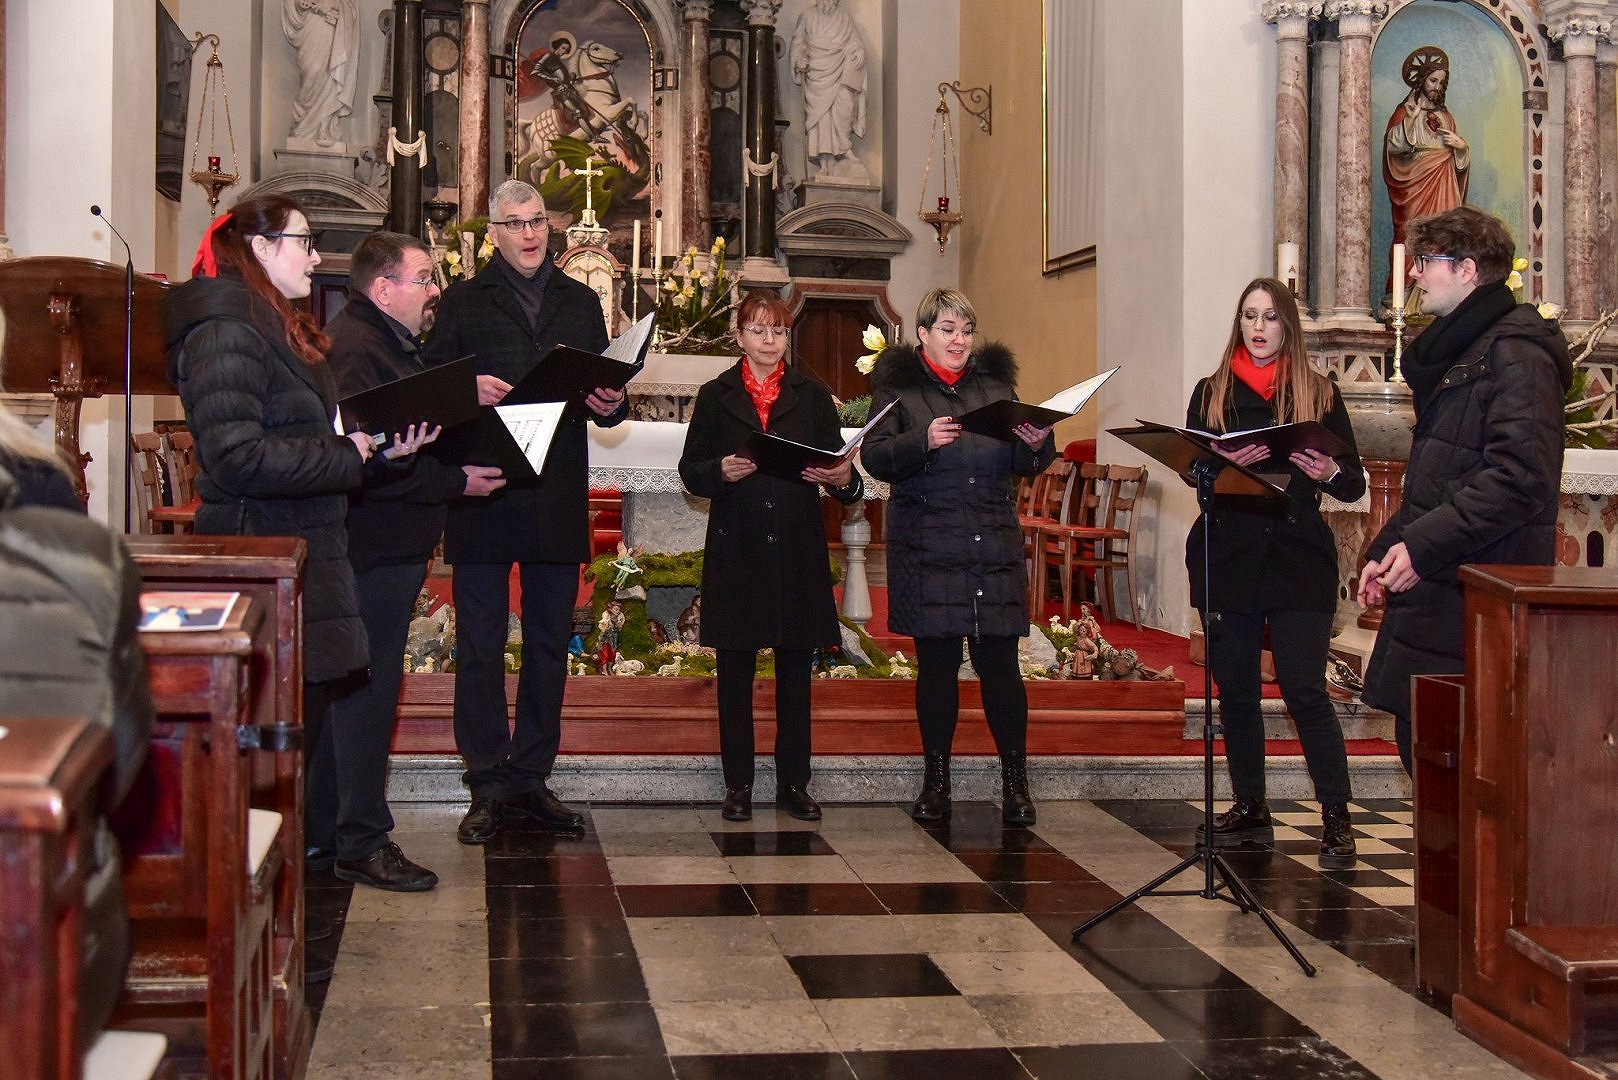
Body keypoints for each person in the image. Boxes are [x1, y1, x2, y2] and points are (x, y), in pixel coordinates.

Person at [422, 178, 627, 845]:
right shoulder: (461, 301)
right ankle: (485, 780)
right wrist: (465, 390)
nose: (530, 232)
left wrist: (610, 404)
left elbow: (606, 390)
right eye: (516, 223)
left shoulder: (580, 303)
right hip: (483, 488)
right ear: (494, 233)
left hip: (555, 489)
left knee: (547, 643)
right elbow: (427, 392)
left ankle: (532, 775)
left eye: (538, 220)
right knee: (480, 643)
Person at [310, 231, 506, 892]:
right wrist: (457, 483)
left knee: (353, 693)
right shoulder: (360, 351)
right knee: (366, 697)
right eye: (423, 278)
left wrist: (459, 399)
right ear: (383, 286)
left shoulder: (378, 343)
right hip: (374, 547)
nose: (433, 291)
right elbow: (378, 467)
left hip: (381, 544)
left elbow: (404, 435)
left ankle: (326, 830)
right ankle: (360, 840)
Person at [1359, 206, 1570, 772]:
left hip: (1476, 595)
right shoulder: (1468, 352)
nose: (1415, 274)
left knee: (1459, 786)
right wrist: (1384, 552)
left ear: (1469, 269)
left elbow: (1520, 478)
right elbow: (1442, 477)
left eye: (1427, 261)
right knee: (1429, 771)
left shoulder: (1517, 355)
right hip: (1442, 593)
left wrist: (1423, 547)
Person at [1185, 277, 1367, 868]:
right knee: (1235, 689)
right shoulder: (1212, 392)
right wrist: (1216, 467)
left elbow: (1352, 482)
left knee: (1303, 688)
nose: (1258, 328)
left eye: (1269, 318)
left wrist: (1324, 470)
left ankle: (1337, 818)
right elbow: (1192, 472)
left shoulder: (1318, 393)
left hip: (1295, 556)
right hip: (1230, 555)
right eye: (1248, 317)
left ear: (1287, 326)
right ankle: (1250, 804)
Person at [862, 288, 1056, 826]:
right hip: (929, 543)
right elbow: (875, 458)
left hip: (990, 538)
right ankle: (936, 783)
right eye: (947, 329)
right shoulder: (897, 390)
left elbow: (1025, 458)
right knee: (938, 670)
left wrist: (1038, 442)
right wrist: (921, 441)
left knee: (1001, 668)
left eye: (966, 330)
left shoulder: (996, 386)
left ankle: (1016, 785)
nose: (959, 340)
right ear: (922, 334)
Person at [677, 291, 865, 822]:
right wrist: (720, 472)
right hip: (737, 547)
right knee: (734, 675)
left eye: (778, 331)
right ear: (738, 336)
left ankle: (793, 784)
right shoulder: (716, 395)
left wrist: (843, 478)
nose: (768, 340)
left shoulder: (812, 396)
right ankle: (737, 785)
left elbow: (844, 480)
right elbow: (691, 471)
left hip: (797, 547)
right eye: (758, 330)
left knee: (795, 676)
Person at [1384, 46, 1468, 306]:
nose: (1437, 86)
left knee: (1445, 238)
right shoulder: (1405, 111)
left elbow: (1459, 163)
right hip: (1415, 186)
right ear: (1421, 80)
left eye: (1441, 82)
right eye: (1433, 80)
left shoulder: (1446, 116)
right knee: (1412, 237)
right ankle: (1404, 302)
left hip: (1444, 182)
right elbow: (1393, 148)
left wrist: (1461, 148)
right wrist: (1410, 121)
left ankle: (1444, 299)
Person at [789, 0, 868, 179]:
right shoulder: (807, 16)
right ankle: (825, 163)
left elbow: (856, 42)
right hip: (817, 76)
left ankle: (845, 148)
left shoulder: (845, 17)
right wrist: (798, 60)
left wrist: (859, 50)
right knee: (822, 118)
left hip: (841, 72)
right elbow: (797, 45)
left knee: (845, 107)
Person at [282, 0, 359, 146]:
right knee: (312, 71)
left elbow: (350, 5)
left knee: (326, 74)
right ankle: (303, 127)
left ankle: (325, 126)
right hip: (310, 26)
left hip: (329, 28)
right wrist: (300, 3)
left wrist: (331, 4)